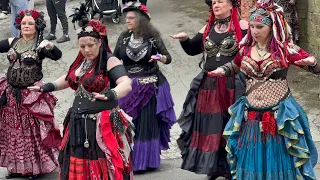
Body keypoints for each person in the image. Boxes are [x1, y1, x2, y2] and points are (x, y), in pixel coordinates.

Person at [209, 0, 319, 179]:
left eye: (260, 26)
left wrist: (312, 63)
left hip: (279, 117)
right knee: (252, 160)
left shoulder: (285, 50)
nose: (254, 31)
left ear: (273, 26)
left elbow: (316, 67)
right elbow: (235, 66)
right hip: (250, 116)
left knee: (278, 162)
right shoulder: (245, 49)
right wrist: (221, 71)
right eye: (252, 26)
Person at [29, 19, 135, 180]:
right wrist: (48, 86)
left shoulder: (110, 61)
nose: (86, 50)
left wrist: (112, 94)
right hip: (77, 123)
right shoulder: (82, 62)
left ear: (100, 42)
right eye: (82, 46)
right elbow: (68, 78)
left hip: (101, 126)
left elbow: (126, 84)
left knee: (104, 167)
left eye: (90, 45)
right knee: (77, 165)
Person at [170, 0, 248, 179]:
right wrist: (184, 40)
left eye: (220, 1)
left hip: (233, 85)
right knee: (211, 127)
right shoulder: (207, 27)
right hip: (209, 86)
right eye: (213, 2)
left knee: (231, 125)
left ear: (231, 5)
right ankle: (214, 167)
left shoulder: (243, 26)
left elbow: (252, 48)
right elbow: (192, 49)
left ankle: (232, 168)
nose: (216, 5)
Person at [0, 10, 62, 180]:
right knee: (13, 132)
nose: (26, 26)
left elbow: (58, 56)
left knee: (31, 133)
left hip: (31, 95)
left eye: (30, 23)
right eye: (24, 23)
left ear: (37, 26)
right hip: (12, 94)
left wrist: (50, 46)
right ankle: (15, 168)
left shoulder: (40, 45)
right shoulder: (13, 41)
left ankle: (33, 169)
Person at [114, 2, 176, 172]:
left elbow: (168, 58)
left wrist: (159, 58)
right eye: (126, 17)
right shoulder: (124, 38)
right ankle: (126, 157)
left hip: (149, 87)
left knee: (145, 125)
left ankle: (144, 161)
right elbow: (113, 59)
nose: (127, 20)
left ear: (141, 20)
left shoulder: (153, 38)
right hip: (128, 88)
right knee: (127, 125)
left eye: (131, 18)